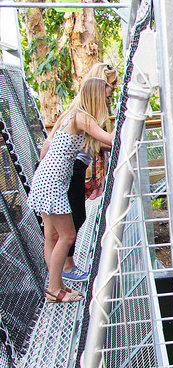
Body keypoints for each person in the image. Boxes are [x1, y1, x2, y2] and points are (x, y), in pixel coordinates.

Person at [28, 78, 115, 303]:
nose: (108, 101)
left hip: (46, 178)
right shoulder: (83, 117)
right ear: (96, 96)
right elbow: (111, 139)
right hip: (53, 182)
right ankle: (54, 291)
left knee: (53, 236)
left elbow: (48, 145)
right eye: (106, 97)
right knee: (67, 236)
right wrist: (131, 117)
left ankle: (56, 287)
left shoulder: (71, 114)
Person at [62, 63, 119, 282]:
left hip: (73, 168)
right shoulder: (83, 116)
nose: (112, 92)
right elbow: (108, 141)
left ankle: (59, 273)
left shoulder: (84, 114)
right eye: (111, 87)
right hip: (70, 169)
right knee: (74, 219)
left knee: (70, 222)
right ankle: (66, 266)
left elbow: (99, 144)